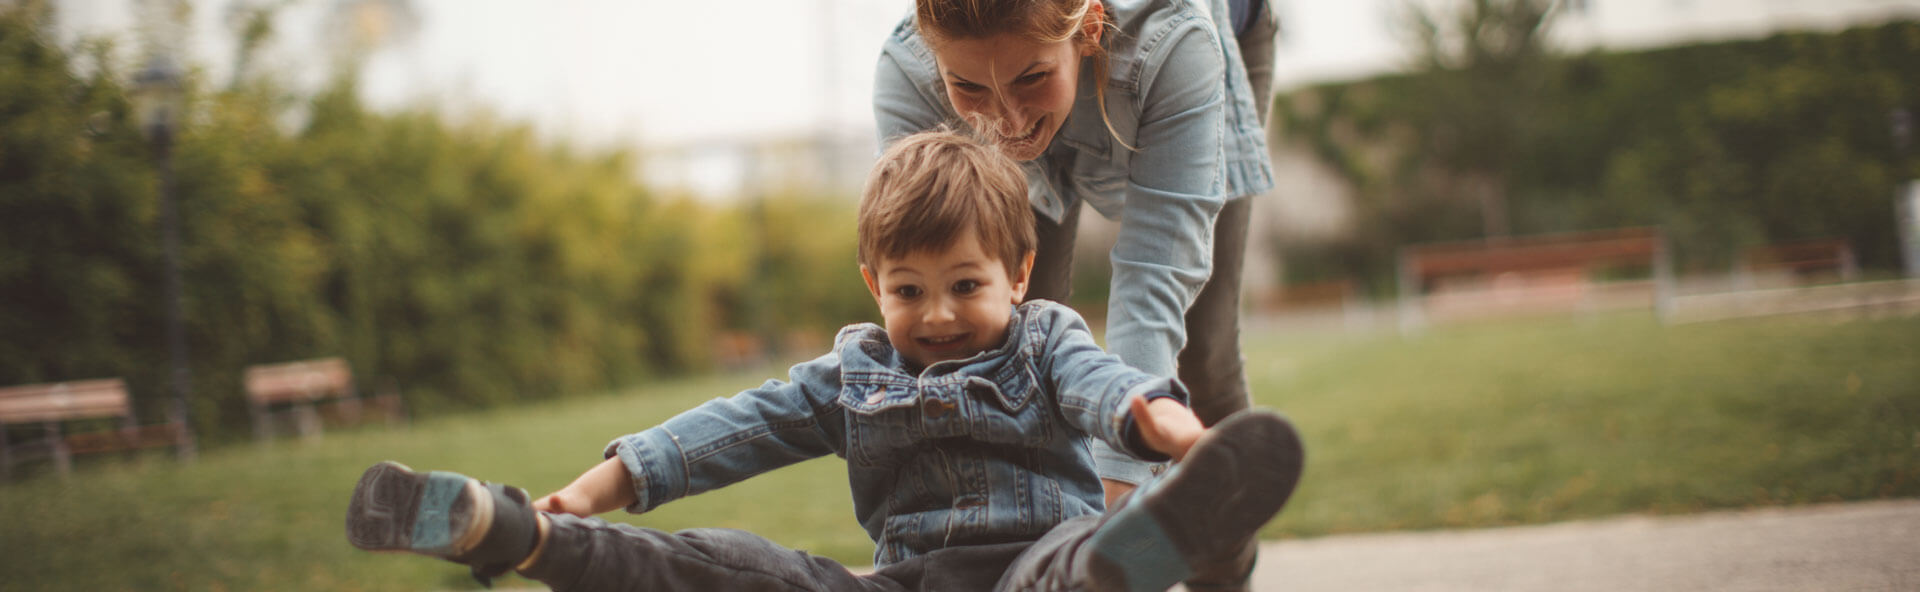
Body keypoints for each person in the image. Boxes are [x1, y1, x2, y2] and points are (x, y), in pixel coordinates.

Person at [345, 129, 1302, 591]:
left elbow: (1099, 387)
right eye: (907, 289)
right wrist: (603, 484)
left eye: (965, 286)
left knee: (1066, 569)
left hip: (1028, 565)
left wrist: (1160, 420)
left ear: (1017, 273)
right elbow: (735, 428)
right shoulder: (855, 377)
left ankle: (1128, 556)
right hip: (901, 585)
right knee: (740, 571)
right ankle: (518, 536)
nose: (935, 315)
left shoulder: (1046, 339)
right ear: (870, 283)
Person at [873, 0, 1280, 508]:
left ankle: (1221, 579)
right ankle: (1033, 555)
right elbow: (929, 288)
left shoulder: (1173, 41)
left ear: (1088, 25)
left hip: (1209, 35)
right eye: (969, 87)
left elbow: (1155, 270)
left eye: (1031, 78)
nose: (1007, 120)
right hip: (1059, 58)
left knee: (1202, 357)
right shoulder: (909, 71)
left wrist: (1122, 473)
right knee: (996, 339)